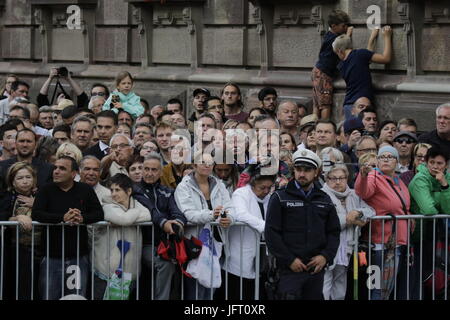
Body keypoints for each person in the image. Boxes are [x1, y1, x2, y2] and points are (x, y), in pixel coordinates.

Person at [265, 148, 340, 300]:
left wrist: (325, 256)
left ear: (316, 172)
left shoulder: (324, 199)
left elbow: (333, 231)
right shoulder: (280, 197)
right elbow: (271, 233)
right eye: (298, 169)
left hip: (315, 269)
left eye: (307, 170)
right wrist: (289, 260)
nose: (302, 174)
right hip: (289, 270)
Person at [32, 156, 104, 299]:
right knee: (49, 296)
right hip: (51, 255)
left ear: (73, 174)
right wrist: (62, 218)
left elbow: (98, 214)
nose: (56, 171)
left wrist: (82, 218)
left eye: (62, 168)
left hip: (78, 255)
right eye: (55, 168)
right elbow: (37, 214)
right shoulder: (46, 189)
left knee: (76, 296)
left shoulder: (85, 190)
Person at [174, 151, 235, 300]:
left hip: (216, 243)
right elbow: (188, 213)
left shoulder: (219, 184)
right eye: (203, 162)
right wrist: (212, 215)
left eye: (210, 163)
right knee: (195, 291)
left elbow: (230, 207)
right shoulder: (184, 187)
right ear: (194, 165)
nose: (207, 166)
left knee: (211, 289)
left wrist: (230, 218)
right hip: (194, 244)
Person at [355, 146, 411, 300]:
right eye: (382, 157)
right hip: (380, 246)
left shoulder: (398, 181)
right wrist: (363, 175)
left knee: (387, 288)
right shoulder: (373, 176)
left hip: (397, 244)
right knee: (378, 289)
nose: (386, 159)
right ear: (378, 161)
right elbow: (363, 191)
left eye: (390, 156)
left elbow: (403, 207)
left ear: (397, 162)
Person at [132, 153, 187, 300]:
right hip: (144, 244)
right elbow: (151, 210)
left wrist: (177, 223)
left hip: (166, 243)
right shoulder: (135, 190)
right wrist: (164, 223)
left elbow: (178, 213)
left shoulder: (168, 191)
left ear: (161, 172)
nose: (150, 173)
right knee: (165, 265)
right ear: (142, 170)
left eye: (154, 170)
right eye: (147, 169)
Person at [92, 173, 151, 300]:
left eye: (117, 190)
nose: (113, 194)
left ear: (129, 191)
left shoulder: (136, 205)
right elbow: (123, 219)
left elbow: (148, 215)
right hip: (107, 272)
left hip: (129, 274)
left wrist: (129, 216)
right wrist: (132, 215)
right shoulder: (107, 205)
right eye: (112, 190)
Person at [321, 164, 375, 300]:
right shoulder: (321, 195)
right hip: (326, 249)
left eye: (341, 178)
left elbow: (371, 211)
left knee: (340, 289)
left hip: (347, 248)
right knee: (324, 289)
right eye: (333, 178)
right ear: (327, 179)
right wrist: (347, 219)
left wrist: (359, 212)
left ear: (347, 178)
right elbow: (324, 222)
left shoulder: (353, 194)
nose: (338, 182)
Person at [220, 170, 276, 300]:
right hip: (240, 250)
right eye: (262, 187)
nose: (266, 191)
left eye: (269, 187)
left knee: (257, 289)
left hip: (261, 253)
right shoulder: (241, 194)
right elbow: (241, 214)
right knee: (237, 291)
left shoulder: (268, 197)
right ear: (253, 183)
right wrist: (265, 227)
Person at [408, 147, 450, 300]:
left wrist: (444, 186)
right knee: (418, 279)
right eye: (431, 162)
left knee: (439, 278)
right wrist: (441, 198)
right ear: (425, 162)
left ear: (446, 165)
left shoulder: (447, 178)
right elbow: (428, 210)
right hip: (418, 238)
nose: (435, 166)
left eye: (439, 163)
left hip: (438, 238)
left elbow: (449, 208)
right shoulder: (420, 179)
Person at [0, 162, 41, 299]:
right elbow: (2, 216)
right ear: (12, 181)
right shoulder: (7, 198)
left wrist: (36, 205)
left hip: (42, 250)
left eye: (28, 177)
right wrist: (16, 218)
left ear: (34, 179)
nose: (25, 181)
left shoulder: (42, 195)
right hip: (17, 251)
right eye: (20, 178)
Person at [333, 26, 393, 120]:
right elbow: (386, 58)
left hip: (349, 106)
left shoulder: (341, 65)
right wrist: (387, 37)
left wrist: (372, 38)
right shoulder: (360, 54)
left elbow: (366, 56)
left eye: (336, 53)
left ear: (340, 51)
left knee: (352, 133)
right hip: (362, 106)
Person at [312, 9, 351, 119]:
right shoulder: (334, 39)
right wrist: (348, 34)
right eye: (343, 26)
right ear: (334, 26)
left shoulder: (329, 35)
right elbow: (342, 44)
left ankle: (314, 126)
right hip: (324, 73)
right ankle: (324, 126)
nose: (346, 28)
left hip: (318, 71)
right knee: (325, 104)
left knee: (317, 102)